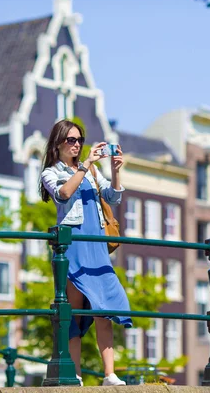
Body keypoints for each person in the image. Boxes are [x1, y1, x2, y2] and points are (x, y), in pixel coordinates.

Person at [40, 119, 132, 386]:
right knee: (76, 312)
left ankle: (109, 374)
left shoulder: (91, 172)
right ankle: (76, 375)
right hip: (74, 247)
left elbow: (113, 197)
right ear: (57, 144)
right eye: (71, 140)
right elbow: (64, 194)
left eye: (79, 139)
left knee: (104, 308)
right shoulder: (51, 171)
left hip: (97, 246)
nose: (77, 144)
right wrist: (85, 166)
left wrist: (115, 172)